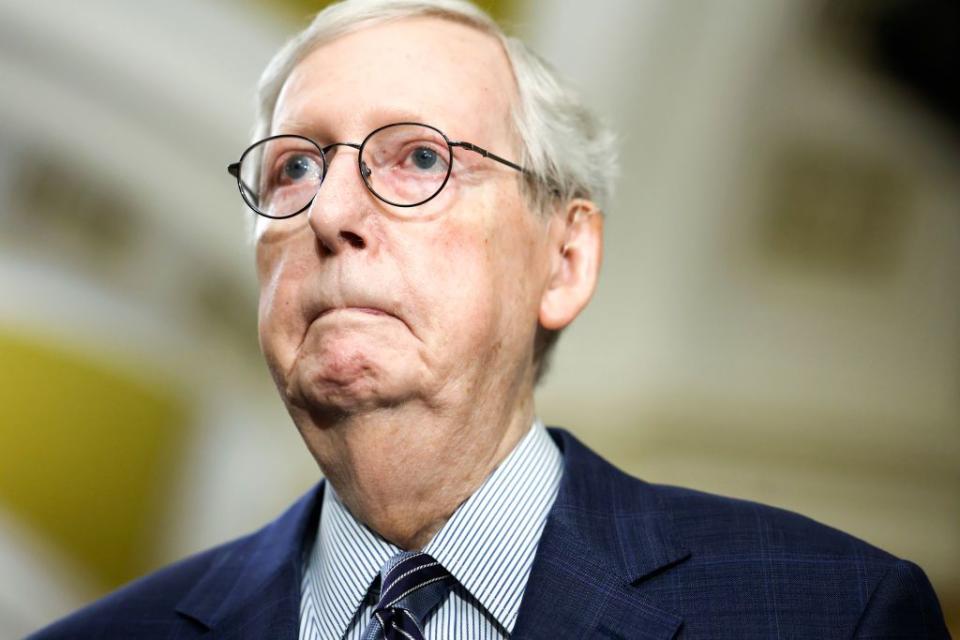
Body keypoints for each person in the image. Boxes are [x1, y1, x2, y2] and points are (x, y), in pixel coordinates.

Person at [31, 0, 950, 638]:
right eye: (293, 170)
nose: (329, 211)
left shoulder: (826, 615)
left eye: (419, 157)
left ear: (564, 259)